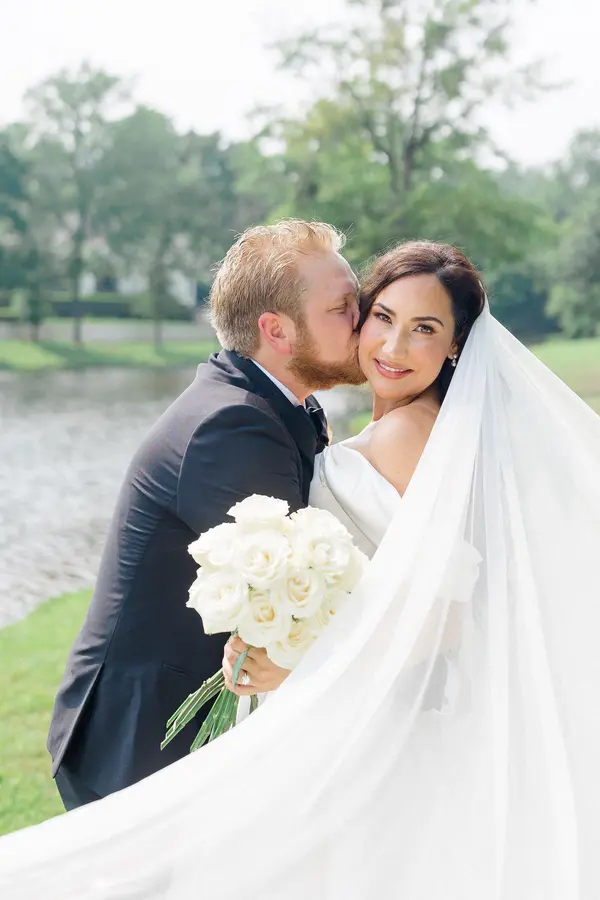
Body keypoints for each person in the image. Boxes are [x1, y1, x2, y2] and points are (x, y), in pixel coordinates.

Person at [2, 240, 599, 900]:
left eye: (424, 328)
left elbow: (443, 614)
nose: (388, 342)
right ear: (279, 329)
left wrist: (302, 666)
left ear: (456, 344)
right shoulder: (253, 421)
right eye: (372, 314)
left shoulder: (402, 434)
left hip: (358, 718)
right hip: (151, 728)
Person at [46, 219, 364, 809]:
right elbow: (297, 594)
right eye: (342, 307)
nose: (362, 319)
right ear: (276, 330)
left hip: (173, 726)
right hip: (144, 740)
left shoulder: (269, 402)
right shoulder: (233, 424)